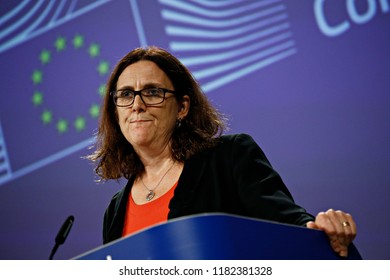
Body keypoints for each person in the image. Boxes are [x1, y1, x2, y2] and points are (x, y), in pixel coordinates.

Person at [88, 46, 357, 258]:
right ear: (115, 111)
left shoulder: (230, 157)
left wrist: (324, 228)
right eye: (125, 95)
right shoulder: (115, 209)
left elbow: (287, 223)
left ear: (182, 107)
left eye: (153, 92)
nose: (137, 105)